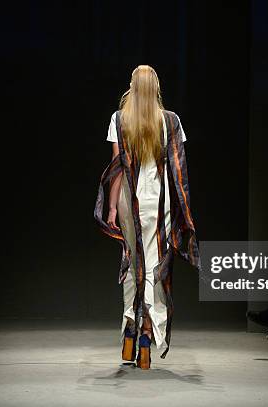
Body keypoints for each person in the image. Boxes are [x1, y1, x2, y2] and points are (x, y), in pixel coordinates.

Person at [94, 65, 200, 369]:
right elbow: (179, 171)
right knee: (155, 263)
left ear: (131, 86)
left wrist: (112, 207)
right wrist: (184, 215)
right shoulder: (171, 121)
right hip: (160, 201)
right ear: (156, 88)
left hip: (130, 199)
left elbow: (116, 166)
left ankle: (130, 324)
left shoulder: (120, 118)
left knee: (131, 258)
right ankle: (145, 336)